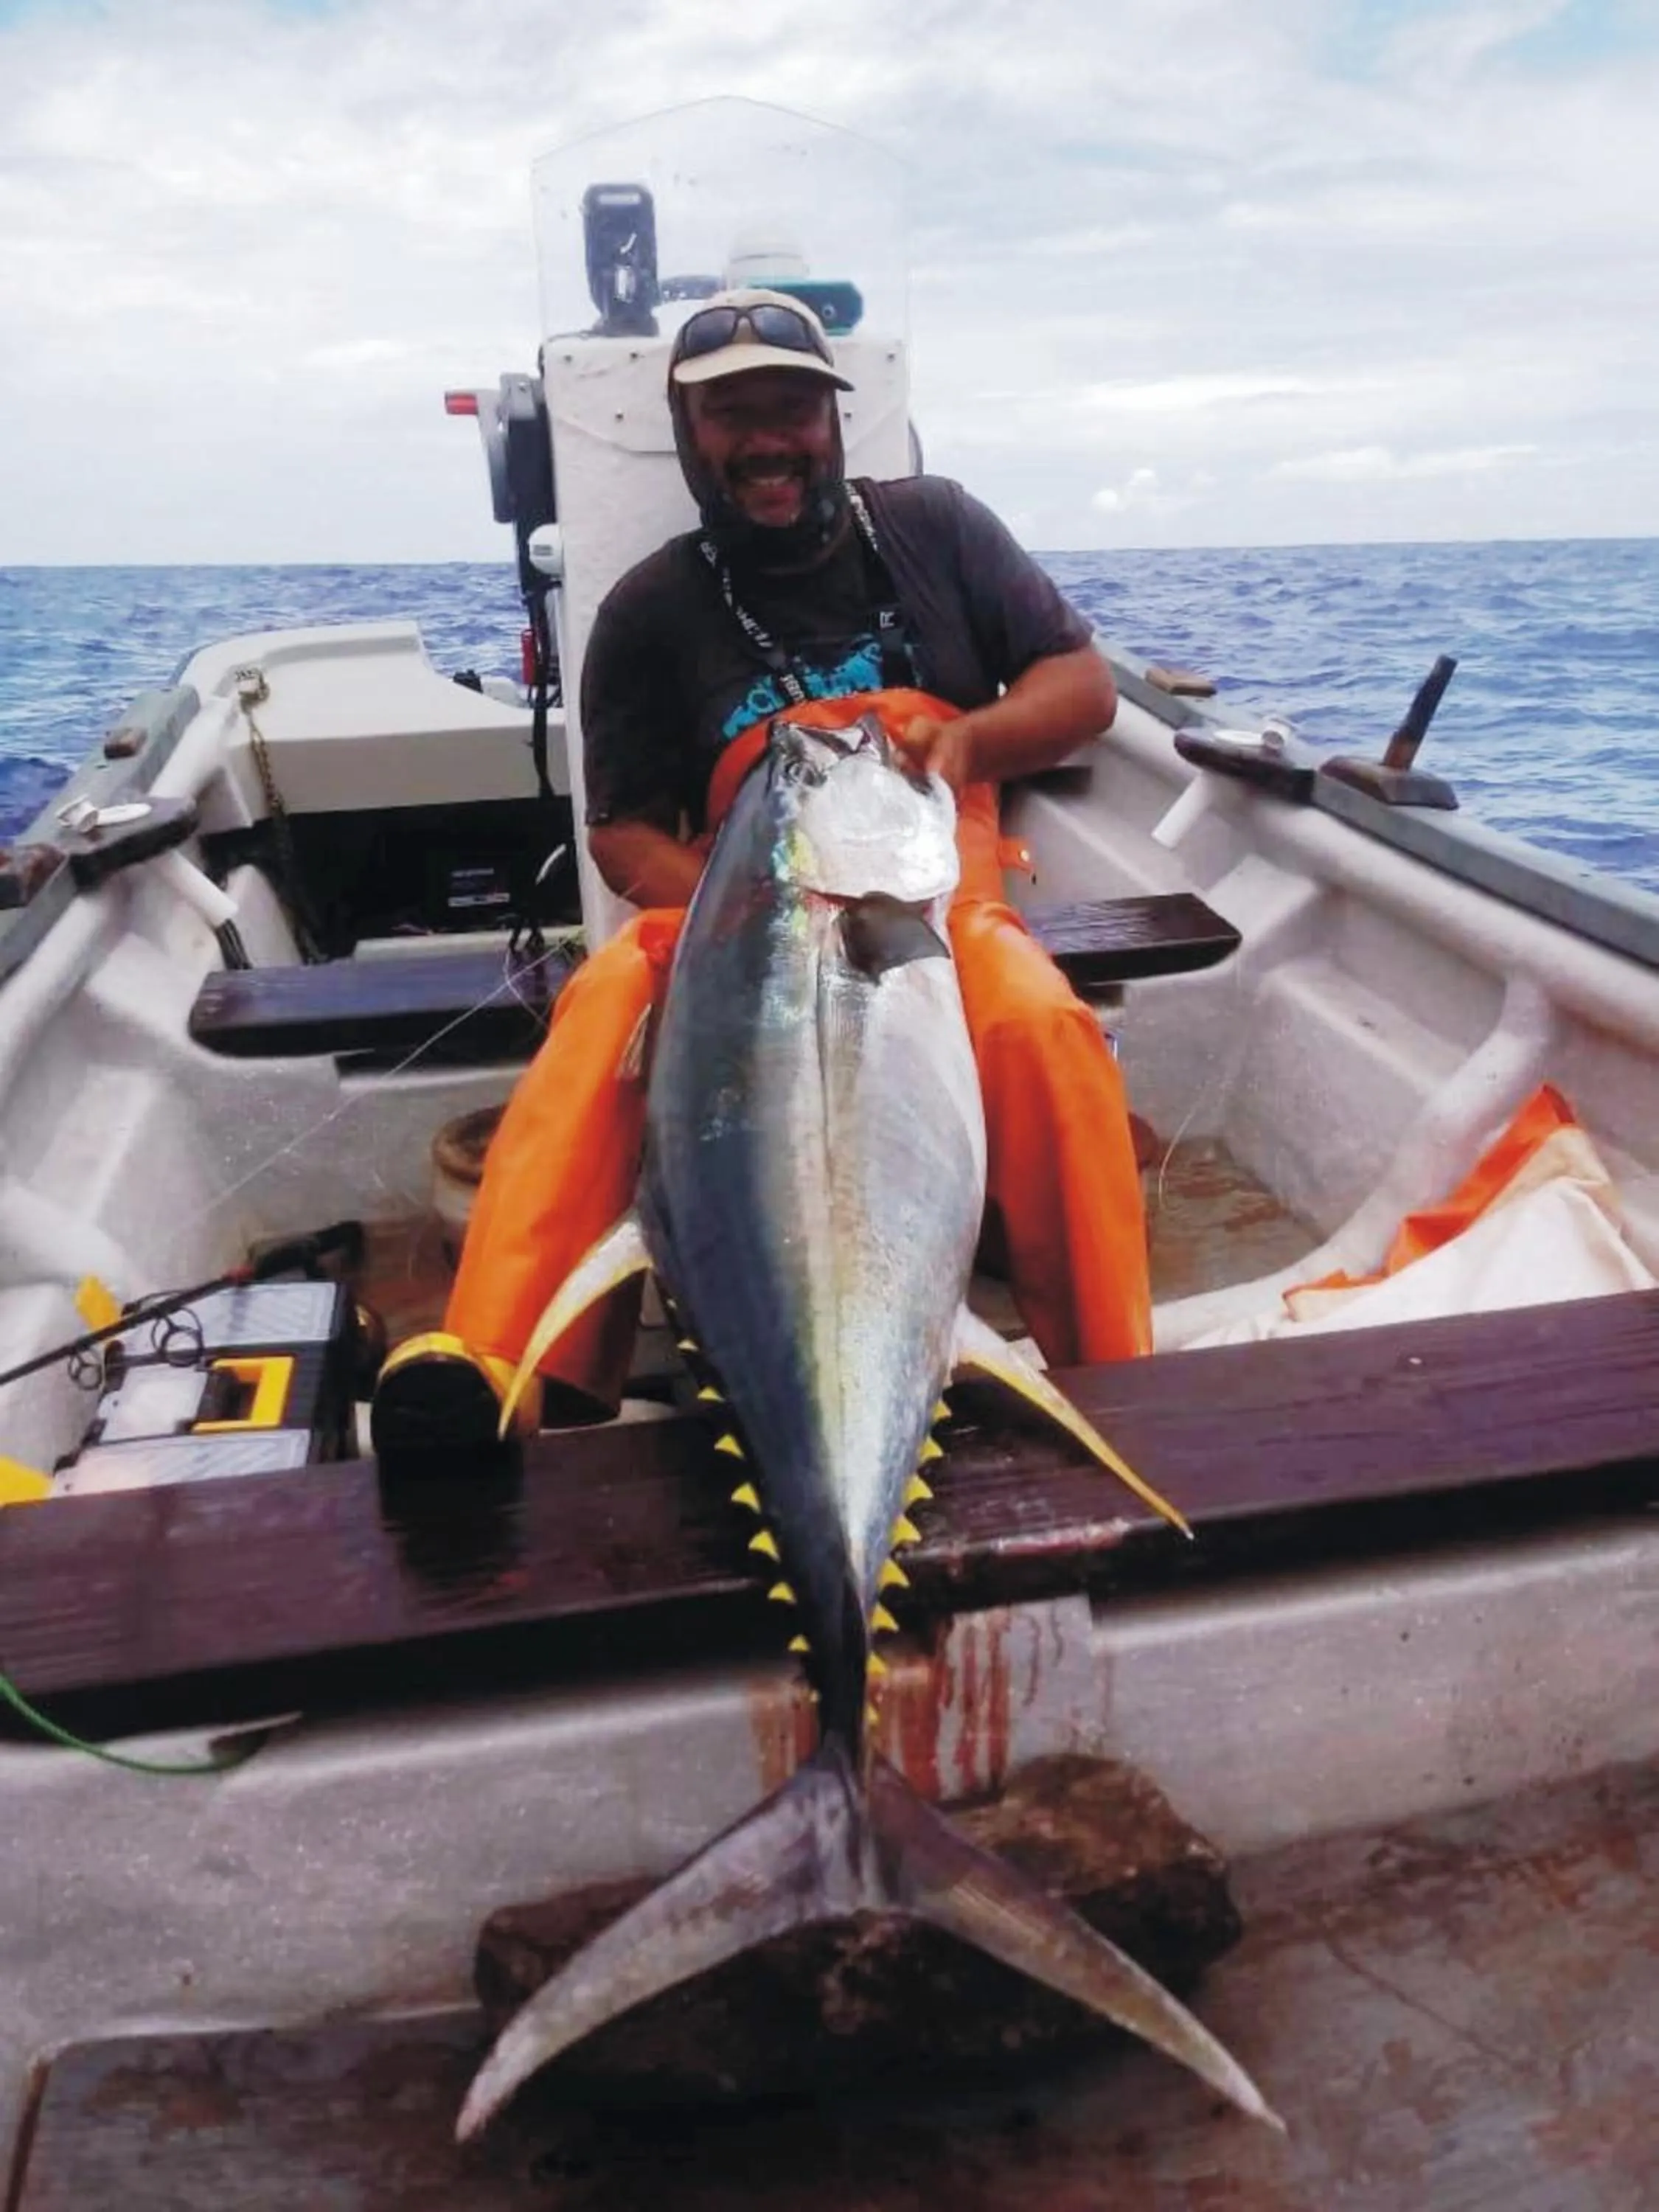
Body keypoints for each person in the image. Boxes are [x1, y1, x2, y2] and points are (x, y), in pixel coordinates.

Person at [372, 289, 1150, 1465]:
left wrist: (967, 743)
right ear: (689, 435)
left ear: (833, 420)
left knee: (1041, 1025)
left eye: (791, 407)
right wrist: (749, 920)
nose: (766, 438)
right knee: (606, 1002)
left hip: (937, 910)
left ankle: (1116, 1377)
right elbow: (624, 834)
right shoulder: (648, 611)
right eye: (732, 414)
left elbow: (1080, 688)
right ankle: (504, 1377)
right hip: (743, 913)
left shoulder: (937, 530)